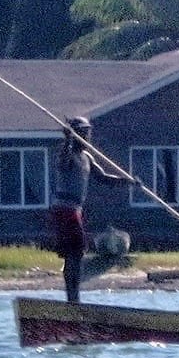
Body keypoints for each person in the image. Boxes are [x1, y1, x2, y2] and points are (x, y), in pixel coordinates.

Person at [50, 116, 130, 303]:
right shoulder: (68, 155)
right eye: (84, 134)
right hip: (64, 210)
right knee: (74, 252)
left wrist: (128, 182)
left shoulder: (87, 157)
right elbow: (63, 162)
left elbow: (103, 178)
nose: (88, 138)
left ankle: (74, 298)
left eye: (88, 134)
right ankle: (73, 299)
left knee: (76, 253)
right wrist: (69, 139)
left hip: (75, 210)